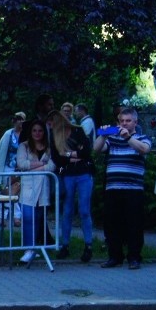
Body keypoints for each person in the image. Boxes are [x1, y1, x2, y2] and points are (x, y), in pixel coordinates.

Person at [94, 107, 152, 270]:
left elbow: (144, 149)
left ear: (135, 122)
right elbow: (96, 149)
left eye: (128, 121)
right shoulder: (112, 138)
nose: (124, 124)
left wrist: (128, 138)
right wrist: (103, 135)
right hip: (113, 188)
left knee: (134, 224)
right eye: (121, 121)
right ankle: (114, 257)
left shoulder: (142, 137)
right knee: (112, 224)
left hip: (134, 189)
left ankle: (134, 257)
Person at [48, 110, 94, 262]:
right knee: (67, 210)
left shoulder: (78, 130)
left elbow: (86, 152)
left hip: (83, 173)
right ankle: (65, 245)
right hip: (67, 174)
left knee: (84, 210)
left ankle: (88, 245)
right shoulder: (53, 136)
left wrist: (67, 154)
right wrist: (73, 155)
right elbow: (56, 158)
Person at [16, 120, 55, 264]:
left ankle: (34, 248)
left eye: (40, 130)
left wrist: (34, 168)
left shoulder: (50, 148)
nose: (37, 133)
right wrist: (41, 164)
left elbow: (52, 166)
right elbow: (21, 164)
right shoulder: (24, 146)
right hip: (28, 187)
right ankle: (28, 249)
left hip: (43, 188)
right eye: (34, 130)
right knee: (27, 217)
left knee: (38, 219)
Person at [0, 112, 26, 226]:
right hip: (8, 167)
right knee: (6, 192)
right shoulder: (8, 134)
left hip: (21, 169)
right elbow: (0, 150)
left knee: (18, 193)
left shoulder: (26, 134)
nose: (20, 122)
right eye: (18, 119)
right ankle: (2, 216)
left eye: (22, 120)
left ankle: (17, 216)